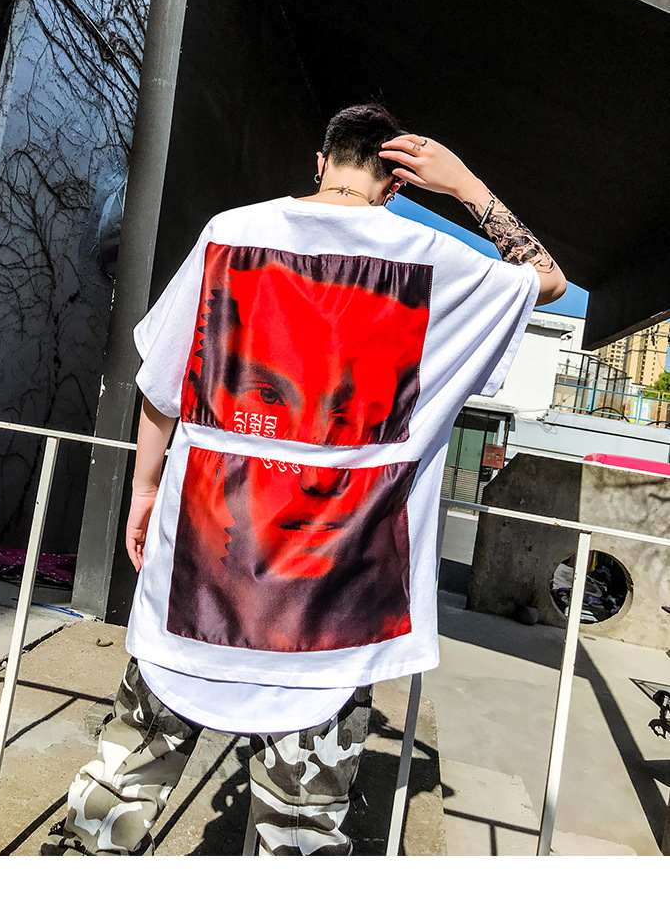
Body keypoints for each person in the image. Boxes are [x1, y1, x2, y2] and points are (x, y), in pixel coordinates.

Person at [41, 102, 565, 856]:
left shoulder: (231, 233)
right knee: (301, 831)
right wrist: (467, 187)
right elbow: (546, 280)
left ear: (320, 162)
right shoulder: (431, 261)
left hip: (202, 574)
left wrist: (145, 491)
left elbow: (164, 386)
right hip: (336, 603)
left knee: (121, 784)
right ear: (396, 185)